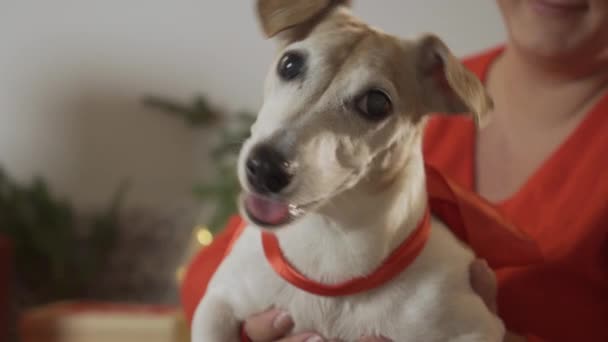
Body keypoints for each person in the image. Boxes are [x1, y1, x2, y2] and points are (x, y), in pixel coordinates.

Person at [180, 0, 608, 341]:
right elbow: (210, 279)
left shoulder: (425, 83)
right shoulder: (414, 78)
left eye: (371, 105)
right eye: (292, 68)